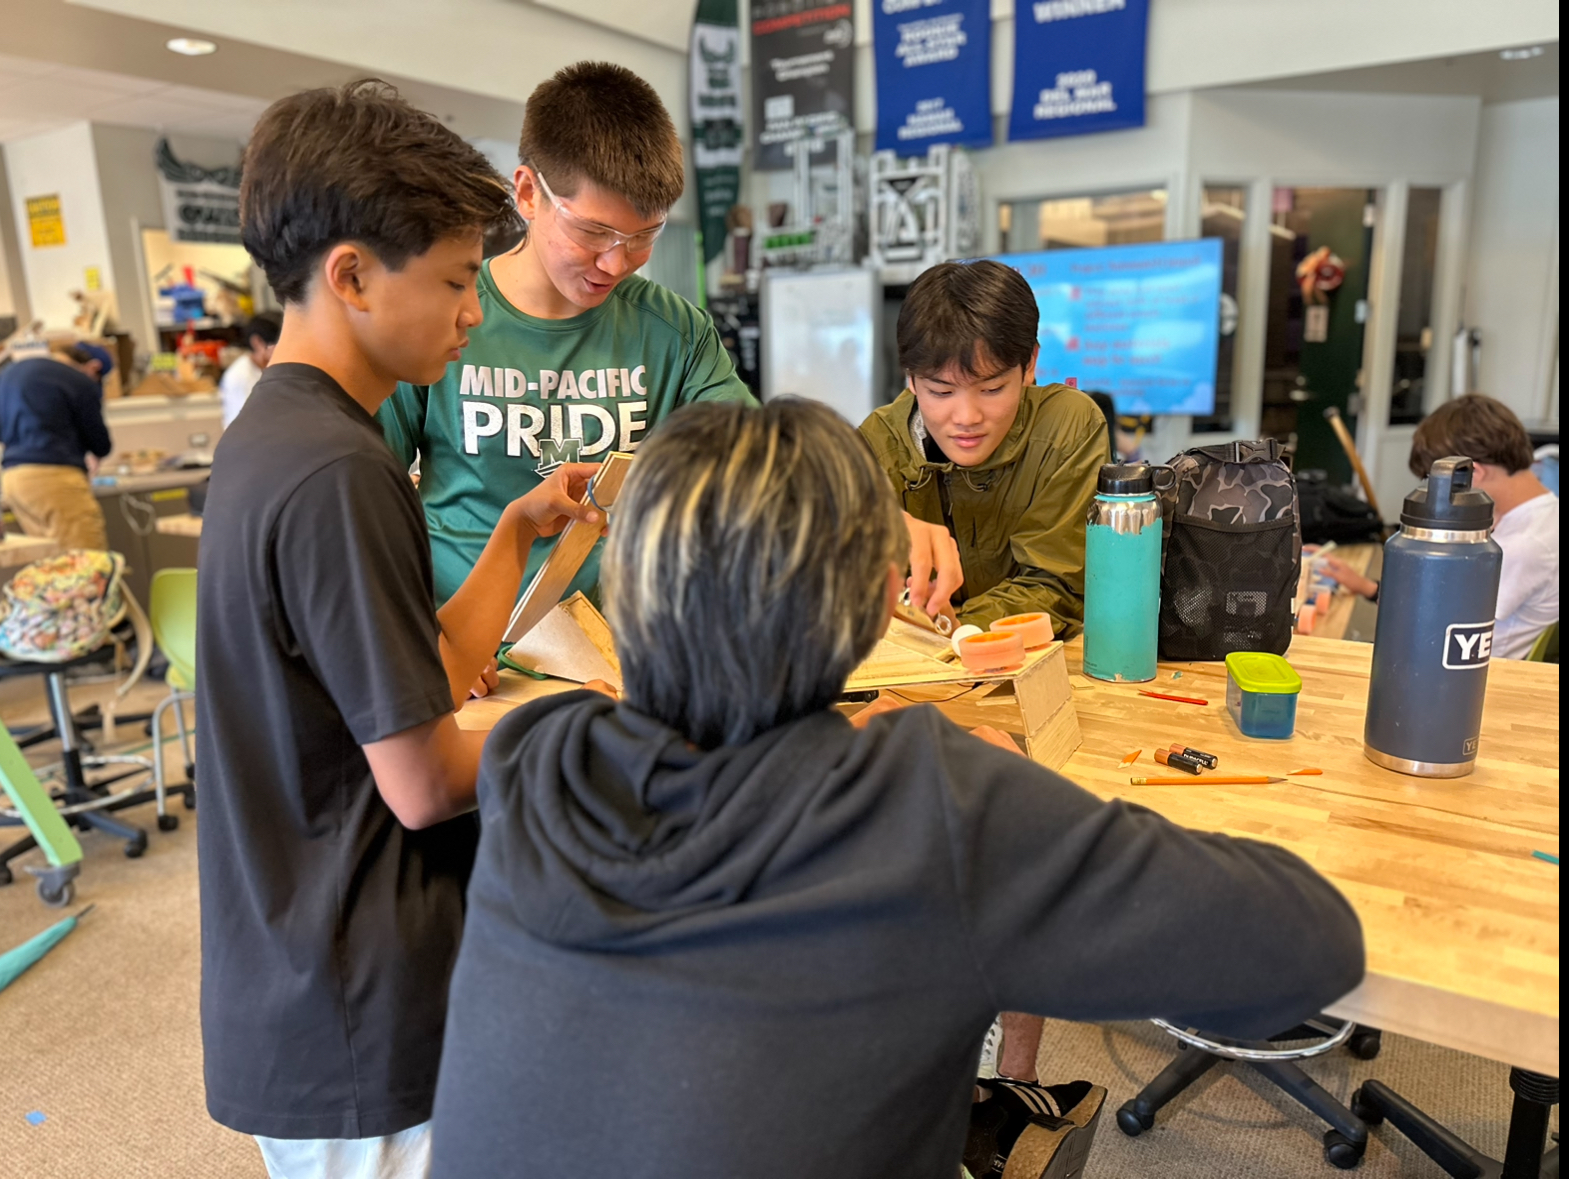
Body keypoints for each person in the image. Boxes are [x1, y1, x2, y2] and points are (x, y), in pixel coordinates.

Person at [428, 397, 1366, 1179]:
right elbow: (1308, 948)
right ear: (884, 596)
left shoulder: (533, 759)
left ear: (625, 596)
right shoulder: (929, 804)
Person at [195, 80, 605, 1179]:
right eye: (458, 281)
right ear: (350, 275)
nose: (474, 311)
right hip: (355, 1000)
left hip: (305, 970)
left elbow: (409, 686)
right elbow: (421, 777)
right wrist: (597, 731)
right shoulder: (341, 471)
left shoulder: (280, 434)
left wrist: (515, 533)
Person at [375, 61, 756, 615]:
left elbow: (761, 454)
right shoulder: (447, 314)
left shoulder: (674, 330)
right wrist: (422, 634)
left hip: (624, 646)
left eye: (643, 236)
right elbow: (368, 502)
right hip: (466, 651)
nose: (616, 262)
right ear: (528, 194)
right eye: (593, 231)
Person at [860, 260, 1109, 636]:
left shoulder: (1067, 428)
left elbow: (1057, 585)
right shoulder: (876, 445)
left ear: (1029, 365)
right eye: (941, 392)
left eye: (992, 389)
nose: (967, 416)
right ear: (910, 378)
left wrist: (955, 629)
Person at [1320, 394, 1557, 659]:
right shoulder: (1538, 515)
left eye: (1436, 485)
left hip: (1463, 678)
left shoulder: (1522, 545)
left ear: (1472, 473)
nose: (1433, 495)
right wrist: (1366, 586)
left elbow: (1432, 620)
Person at [0, 342, 114, 549]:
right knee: (86, 565)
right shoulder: (77, 380)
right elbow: (100, 443)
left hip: (13, 480)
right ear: (94, 367)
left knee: (51, 566)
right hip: (55, 480)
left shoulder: (9, 375)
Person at [219, 311, 282, 426]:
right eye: (279, 344)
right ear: (257, 342)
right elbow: (252, 425)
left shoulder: (269, 369)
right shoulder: (241, 377)